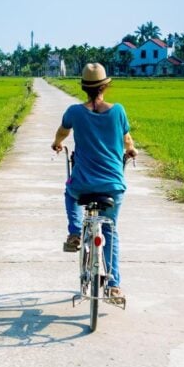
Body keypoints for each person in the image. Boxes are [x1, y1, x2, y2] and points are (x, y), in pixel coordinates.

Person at [51, 63, 137, 299]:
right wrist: (131, 150)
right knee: (111, 231)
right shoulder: (118, 111)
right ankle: (114, 284)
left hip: (83, 184)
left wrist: (57, 144)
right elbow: (127, 139)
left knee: (69, 193)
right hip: (112, 186)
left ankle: (75, 233)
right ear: (106, 87)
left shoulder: (75, 112)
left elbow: (62, 132)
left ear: (83, 88)